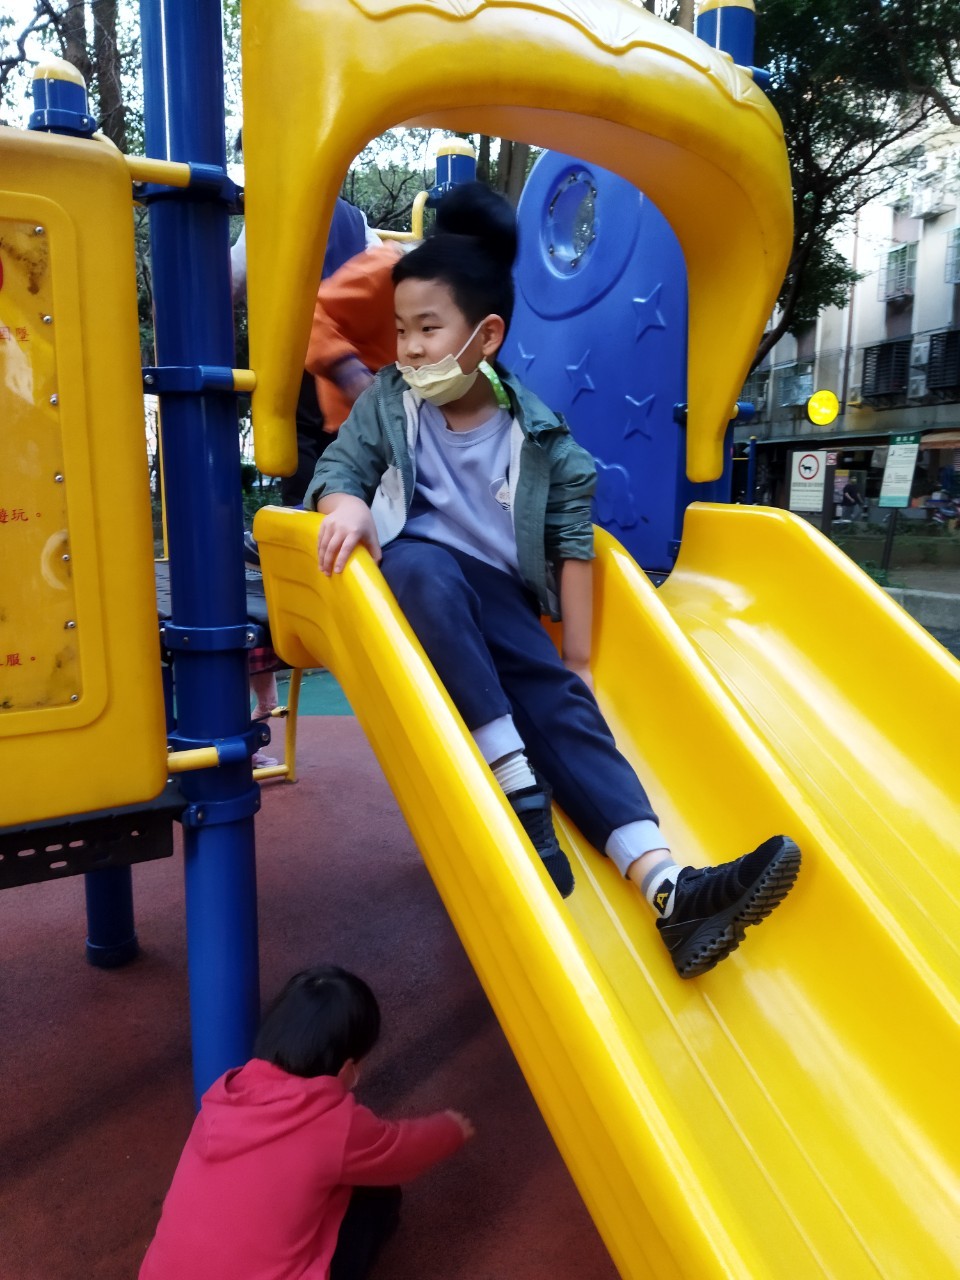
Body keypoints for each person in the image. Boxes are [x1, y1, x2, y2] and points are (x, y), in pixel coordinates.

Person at [305, 183, 801, 979]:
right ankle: (518, 791)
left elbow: (573, 548)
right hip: (422, 567)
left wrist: (578, 660)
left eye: (428, 329)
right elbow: (342, 466)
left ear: (486, 336)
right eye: (401, 330)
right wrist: (348, 505)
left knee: (564, 705)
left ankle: (669, 888)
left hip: (501, 594)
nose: (409, 348)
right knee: (423, 569)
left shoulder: (540, 437)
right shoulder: (390, 402)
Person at [139, 964, 473, 1280]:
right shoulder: (333, 1122)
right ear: (347, 1068)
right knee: (379, 1195)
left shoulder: (225, 1094)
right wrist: (452, 1129)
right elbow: (401, 1151)